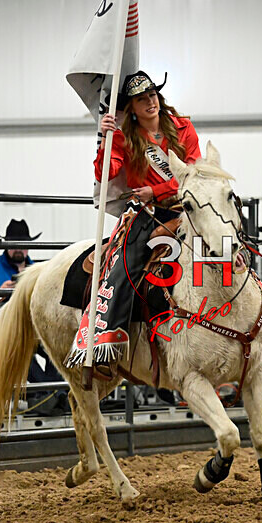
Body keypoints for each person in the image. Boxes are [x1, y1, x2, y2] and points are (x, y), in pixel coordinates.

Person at [68, 70, 201, 375]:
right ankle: (106, 340)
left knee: (228, 242)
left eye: (152, 95)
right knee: (124, 268)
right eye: (142, 99)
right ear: (132, 107)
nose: (150, 102)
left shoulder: (183, 127)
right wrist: (106, 140)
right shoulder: (124, 137)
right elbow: (106, 174)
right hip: (149, 213)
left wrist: (156, 189)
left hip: (187, 206)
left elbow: (193, 170)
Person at [0, 219, 68, 415]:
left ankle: (49, 394)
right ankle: (54, 392)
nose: (19, 249)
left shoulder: (38, 270)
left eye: (23, 245)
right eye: (14, 245)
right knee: (20, 350)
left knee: (59, 346)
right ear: (6, 245)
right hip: (2, 328)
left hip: (33, 327)